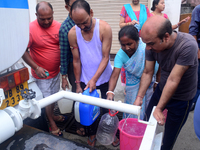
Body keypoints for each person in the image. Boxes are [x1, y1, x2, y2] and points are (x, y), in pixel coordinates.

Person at [134, 15, 198, 150]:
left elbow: (174, 79)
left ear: (166, 37)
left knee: (168, 138)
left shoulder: (187, 45)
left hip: (182, 98)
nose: (147, 47)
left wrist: (159, 108)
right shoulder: (150, 45)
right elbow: (147, 72)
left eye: (150, 43)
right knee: (146, 123)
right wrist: (139, 97)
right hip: (162, 89)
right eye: (145, 43)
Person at [68, 0, 119, 147]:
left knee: (107, 107)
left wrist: (94, 79)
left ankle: (110, 133)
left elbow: (105, 57)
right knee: (88, 109)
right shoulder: (72, 33)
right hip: (85, 78)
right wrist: (78, 84)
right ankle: (92, 133)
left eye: (85, 22)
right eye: (78, 24)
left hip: (104, 77)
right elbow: (76, 60)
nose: (82, 27)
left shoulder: (104, 28)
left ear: (91, 13)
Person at [22, 1, 64, 136]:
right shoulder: (30, 29)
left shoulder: (58, 26)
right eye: (42, 19)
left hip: (56, 72)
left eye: (49, 18)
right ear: (36, 15)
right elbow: (23, 51)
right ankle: (51, 123)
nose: (46, 22)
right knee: (46, 100)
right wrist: (36, 67)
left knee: (53, 97)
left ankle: (52, 115)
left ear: (53, 14)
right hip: (42, 75)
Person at [107, 25, 158, 120]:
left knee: (147, 109)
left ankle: (144, 130)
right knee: (131, 110)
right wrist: (110, 92)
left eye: (129, 44)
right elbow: (115, 75)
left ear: (138, 40)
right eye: (123, 45)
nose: (126, 48)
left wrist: (157, 82)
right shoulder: (120, 55)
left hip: (148, 84)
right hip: (132, 87)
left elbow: (154, 68)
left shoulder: (145, 50)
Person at [59, 0, 85, 136]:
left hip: (87, 64)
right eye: (74, 5)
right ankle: (78, 125)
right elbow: (63, 54)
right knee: (78, 94)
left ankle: (89, 119)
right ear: (67, 7)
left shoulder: (86, 20)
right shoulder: (65, 28)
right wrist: (64, 77)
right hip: (72, 66)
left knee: (88, 94)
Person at [119, 0, 151, 89]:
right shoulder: (125, 8)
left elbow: (150, 23)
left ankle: (143, 83)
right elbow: (121, 24)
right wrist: (129, 23)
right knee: (129, 63)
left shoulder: (145, 9)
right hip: (129, 42)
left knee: (143, 62)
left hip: (143, 41)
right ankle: (128, 85)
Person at [189, 4, 200, 111]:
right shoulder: (198, 9)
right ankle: (194, 103)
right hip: (199, 47)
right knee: (198, 79)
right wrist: (197, 50)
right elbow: (193, 32)